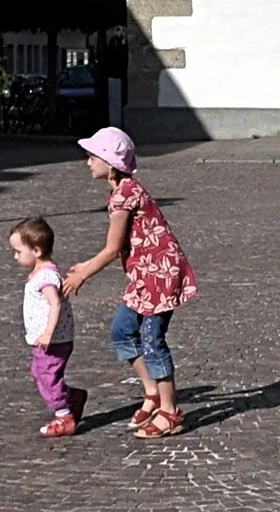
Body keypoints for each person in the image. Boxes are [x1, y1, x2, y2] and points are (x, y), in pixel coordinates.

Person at [62, 127, 196, 439]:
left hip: (159, 275)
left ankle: (170, 411)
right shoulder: (123, 190)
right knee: (122, 330)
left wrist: (83, 274)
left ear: (109, 164)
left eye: (92, 156)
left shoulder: (124, 196)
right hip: (143, 275)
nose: (87, 162)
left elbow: (112, 248)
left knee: (152, 341)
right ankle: (152, 393)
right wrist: (85, 264)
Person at [9, 216, 85, 437]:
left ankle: (64, 417)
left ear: (36, 251)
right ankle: (71, 397)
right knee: (39, 373)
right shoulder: (42, 273)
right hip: (47, 338)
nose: (15, 257)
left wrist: (48, 333)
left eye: (18, 251)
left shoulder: (46, 278)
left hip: (53, 339)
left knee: (48, 376)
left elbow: (55, 304)